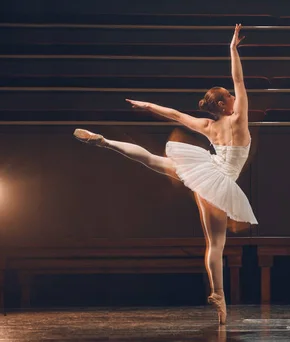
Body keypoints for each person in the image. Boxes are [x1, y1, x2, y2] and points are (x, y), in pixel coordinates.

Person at [73, 24, 253, 325]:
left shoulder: (208, 126)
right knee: (217, 246)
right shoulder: (239, 118)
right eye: (229, 96)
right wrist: (233, 48)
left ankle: (105, 142)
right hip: (219, 183)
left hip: (204, 171)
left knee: (152, 160)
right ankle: (220, 299)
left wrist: (147, 105)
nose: (234, 96)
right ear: (223, 104)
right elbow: (239, 78)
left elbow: (174, 114)